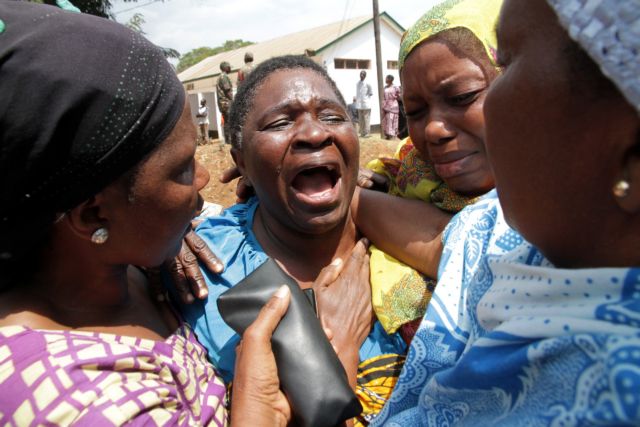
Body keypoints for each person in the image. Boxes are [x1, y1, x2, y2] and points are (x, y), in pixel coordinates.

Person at [0, 3, 304, 426]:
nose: (204, 177)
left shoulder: (126, 268)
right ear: (93, 216)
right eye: (181, 169)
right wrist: (288, 392)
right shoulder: (76, 401)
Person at [353, 0, 640, 424]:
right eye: (415, 112)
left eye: (507, 62)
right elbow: (459, 238)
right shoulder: (540, 237)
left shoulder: (611, 388)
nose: (433, 129)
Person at [177, 55, 407, 425]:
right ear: (241, 163)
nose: (315, 134)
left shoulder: (408, 231)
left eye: (332, 116)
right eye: (280, 123)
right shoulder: (201, 268)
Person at [361, 0, 501, 344]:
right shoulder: (400, 176)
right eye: (415, 111)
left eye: (462, 97)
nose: (433, 130)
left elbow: (470, 251)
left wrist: (351, 201)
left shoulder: (582, 198)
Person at [216, 61, 233, 143]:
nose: (230, 69)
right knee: (229, 120)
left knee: (227, 121)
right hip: (226, 102)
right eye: (229, 67)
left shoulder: (221, 77)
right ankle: (229, 140)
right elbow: (227, 91)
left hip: (223, 103)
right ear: (225, 68)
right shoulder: (224, 77)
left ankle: (228, 140)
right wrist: (233, 100)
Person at [381, 75, 400, 139]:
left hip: (393, 105)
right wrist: (383, 105)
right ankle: (388, 134)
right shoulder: (385, 87)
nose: (385, 80)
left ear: (390, 80)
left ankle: (393, 134)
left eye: (386, 78)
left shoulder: (395, 87)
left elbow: (399, 95)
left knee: (393, 119)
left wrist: (395, 98)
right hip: (386, 106)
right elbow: (384, 96)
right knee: (386, 120)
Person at [356, 70, 373, 138]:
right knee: (361, 119)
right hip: (359, 104)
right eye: (361, 74)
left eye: (363, 74)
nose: (361, 75)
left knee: (366, 119)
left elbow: (370, 93)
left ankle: (367, 133)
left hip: (366, 104)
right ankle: (362, 133)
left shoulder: (368, 83)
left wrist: (366, 98)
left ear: (365, 76)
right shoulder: (358, 83)